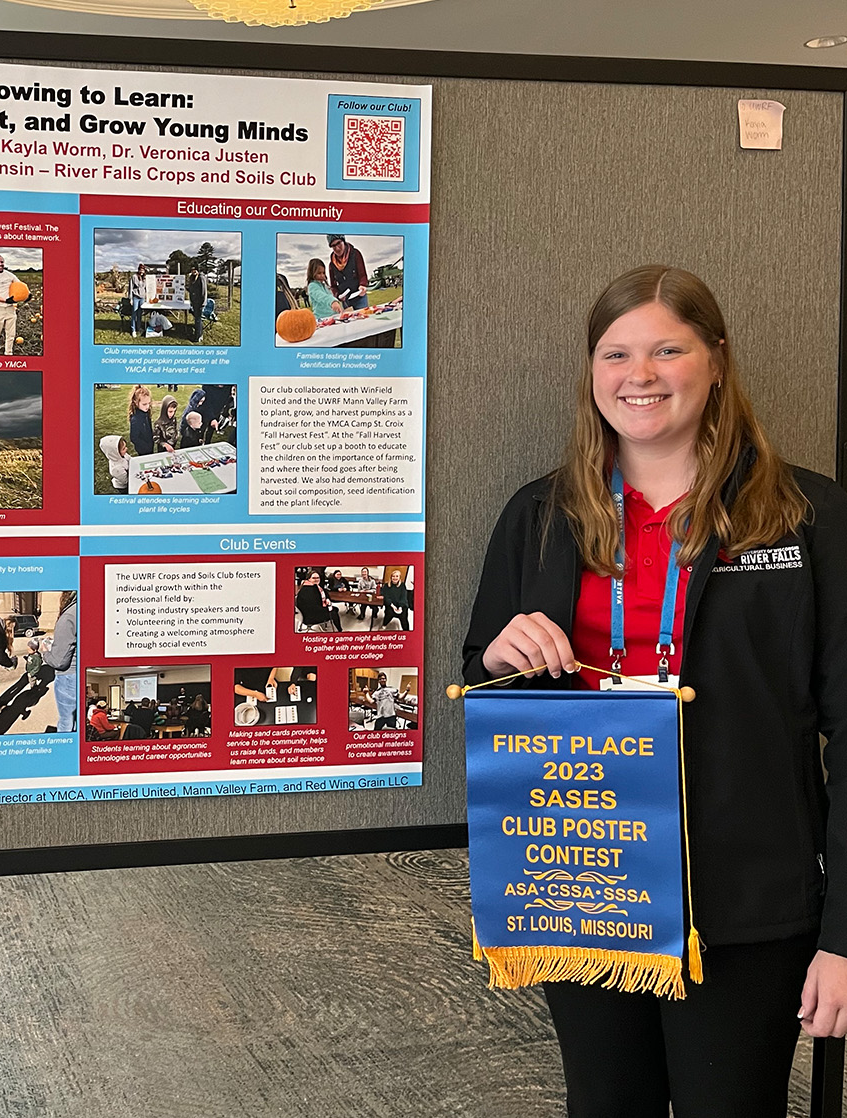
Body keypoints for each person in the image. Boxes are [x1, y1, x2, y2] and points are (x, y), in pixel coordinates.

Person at [461, 265, 847, 1116]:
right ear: (591, 372)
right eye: (616, 353)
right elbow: (480, 677)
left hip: (747, 900)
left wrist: (844, 940)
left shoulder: (804, 516)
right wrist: (498, 659)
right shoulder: (542, 516)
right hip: (586, 883)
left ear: (716, 359)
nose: (640, 375)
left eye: (667, 349)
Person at [48, 592, 79, 733]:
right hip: (82, 673)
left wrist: (45, 653)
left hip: (68, 676)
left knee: (66, 721)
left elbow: (59, 661)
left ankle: (64, 752)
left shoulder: (69, 615)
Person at [326, 233, 369, 311]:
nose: (337, 248)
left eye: (338, 243)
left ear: (343, 241)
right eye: (333, 246)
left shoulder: (355, 254)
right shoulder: (331, 265)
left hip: (360, 297)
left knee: (364, 319)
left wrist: (362, 285)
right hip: (346, 301)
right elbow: (333, 286)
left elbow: (362, 274)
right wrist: (337, 295)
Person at [128, 385, 155, 458]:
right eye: (144, 404)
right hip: (143, 449)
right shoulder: (135, 419)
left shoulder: (146, 412)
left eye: (149, 403)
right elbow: (133, 437)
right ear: (136, 402)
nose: (147, 406)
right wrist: (145, 447)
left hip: (150, 445)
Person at [187, 266, 207, 342]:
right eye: (192, 270)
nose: (193, 271)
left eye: (195, 270)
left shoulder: (201, 277)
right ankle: (198, 334)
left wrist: (202, 303)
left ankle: (197, 337)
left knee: (198, 320)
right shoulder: (193, 278)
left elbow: (203, 291)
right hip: (195, 302)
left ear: (198, 270)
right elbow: (192, 289)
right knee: (197, 319)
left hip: (200, 303)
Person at [128, 264, 148, 338]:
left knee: (140, 314)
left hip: (142, 298)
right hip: (135, 297)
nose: (142, 271)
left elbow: (146, 288)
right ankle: (133, 330)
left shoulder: (145, 278)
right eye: (141, 269)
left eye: (143, 270)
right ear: (138, 269)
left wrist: (146, 297)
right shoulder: (134, 277)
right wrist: (130, 298)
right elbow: (130, 288)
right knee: (134, 314)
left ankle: (138, 328)